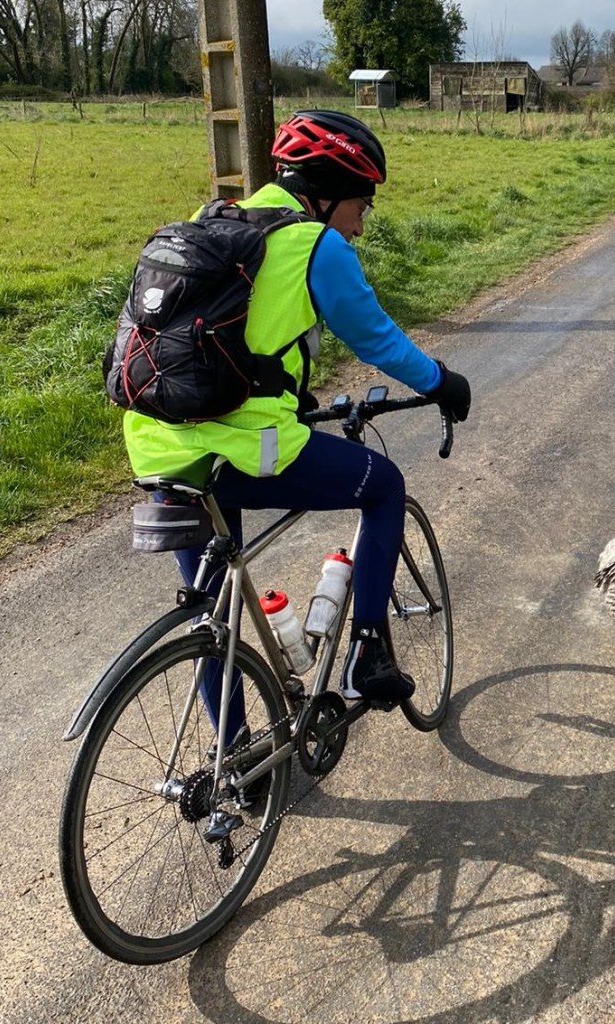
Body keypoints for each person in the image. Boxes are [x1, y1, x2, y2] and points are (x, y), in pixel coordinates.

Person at [122, 109, 471, 740]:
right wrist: (443, 382)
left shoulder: (215, 221)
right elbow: (378, 342)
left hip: (155, 444)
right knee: (385, 486)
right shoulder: (316, 244)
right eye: (361, 205)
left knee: (213, 616)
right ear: (328, 193)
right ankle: (369, 652)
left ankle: (235, 763)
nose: (361, 225)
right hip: (240, 450)